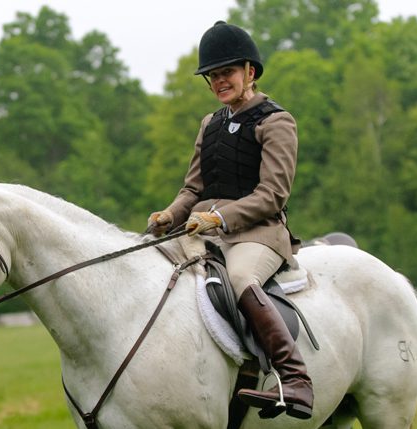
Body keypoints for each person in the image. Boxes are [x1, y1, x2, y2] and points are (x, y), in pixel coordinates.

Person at [147, 21, 313, 420]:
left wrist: (217, 218)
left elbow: (272, 194)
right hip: (206, 230)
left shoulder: (276, 122)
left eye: (228, 73)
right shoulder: (211, 124)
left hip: (259, 233)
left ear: (250, 72)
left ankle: (295, 379)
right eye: (214, 75)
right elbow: (192, 189)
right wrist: (171, 213)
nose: (220, 81)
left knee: (240, 280)